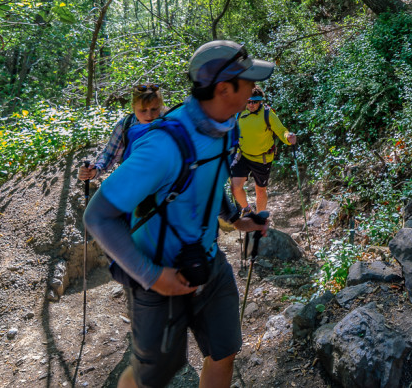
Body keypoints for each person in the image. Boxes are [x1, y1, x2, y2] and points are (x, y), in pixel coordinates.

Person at [84, 40, 273, 388]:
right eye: (247, 81)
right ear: (223, 88)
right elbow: (98, 216)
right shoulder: (163, 145)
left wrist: (236, 219)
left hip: (209, 264)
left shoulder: (225, 127)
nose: (253, 89)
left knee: (223, 353)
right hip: (157, 277)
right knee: (149, 378)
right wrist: (151, 275)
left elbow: (207, 184)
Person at [78, 84, 167, 182]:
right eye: (143, 110)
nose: (149, 115)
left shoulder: (170, 121)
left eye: (154, 109)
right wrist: (94, 171)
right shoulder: (125, 126)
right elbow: (110, 155)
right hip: (137, 182)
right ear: (133, 107)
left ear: (161, 105)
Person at [230, 85, 296, 215]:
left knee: (260, 190)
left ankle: (260, 219)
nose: (251, 104)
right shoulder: (240, 112)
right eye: (248, 101)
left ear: (260, 101)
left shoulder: (268, 114)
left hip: (263, 158)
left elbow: (281, 131)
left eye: (255, 101)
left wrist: (288, 137)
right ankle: (247, 209)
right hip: (243, 155)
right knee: (235, 187)